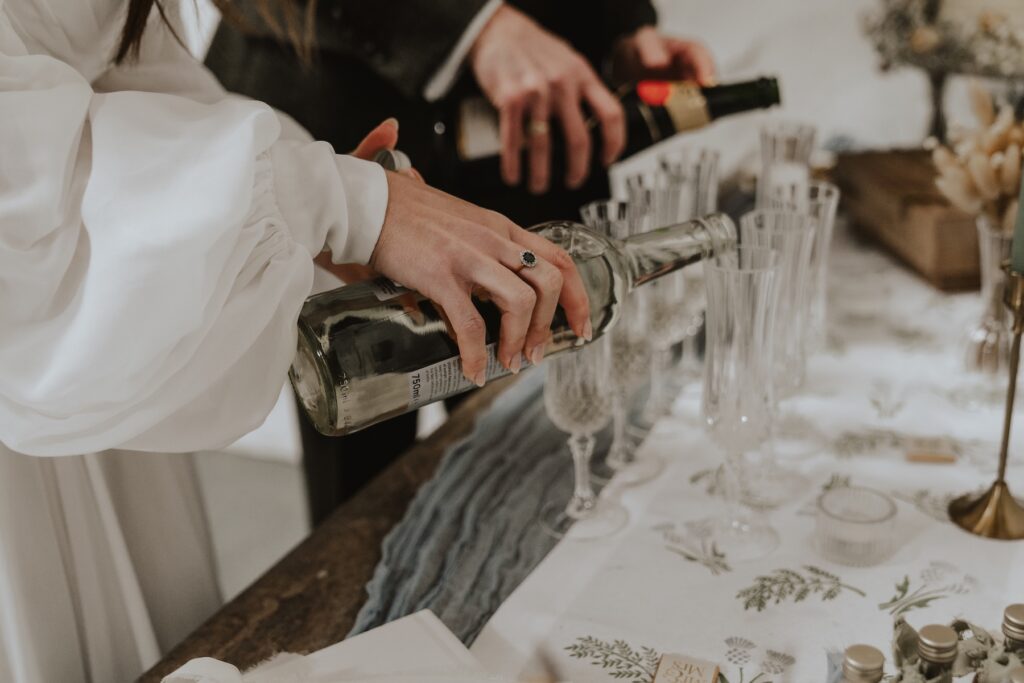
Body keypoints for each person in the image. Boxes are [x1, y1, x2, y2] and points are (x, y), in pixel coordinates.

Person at [0, 1, 590, 680]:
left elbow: (125, 78)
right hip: (33, 372)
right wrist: (335, 201)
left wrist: (313, 209)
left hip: (97, 373)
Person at [206, 0, 717, 523]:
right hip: (340, 111)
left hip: (532, 134)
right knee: (360, 461)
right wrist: (473, 26)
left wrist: (617, 24)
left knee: (540, 452)